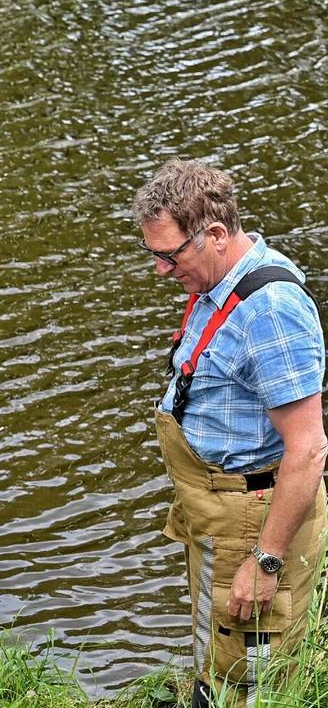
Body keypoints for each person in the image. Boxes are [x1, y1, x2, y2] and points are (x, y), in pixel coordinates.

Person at [133, 160, 326, 707]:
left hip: (254, 518)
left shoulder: (271, 310)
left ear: (215, 235)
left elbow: (309, 450)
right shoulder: (222, 287)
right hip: (217, 510)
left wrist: (266, 561)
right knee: (218, 649)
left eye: (169, 256)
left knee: (255, 675)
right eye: (155, 256)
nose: (162, 271)